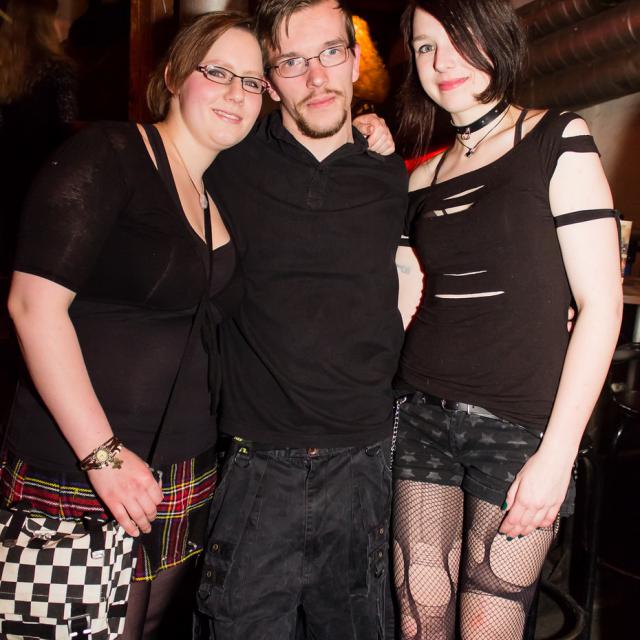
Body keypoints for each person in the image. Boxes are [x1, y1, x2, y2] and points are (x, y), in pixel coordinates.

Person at [0, 12, 266, 639]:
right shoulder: (109, 154)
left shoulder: (216, 190)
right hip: (86, 465)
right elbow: (32, 306)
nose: (236, 93)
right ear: (172, 75)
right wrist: (103, 454)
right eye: (218, 72)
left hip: (180, 470)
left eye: (253, 81)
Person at [391, 1, 623, 638]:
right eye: (425, 46)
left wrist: (558, 455)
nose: (442, 61)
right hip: (421, 415)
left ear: (495, 40)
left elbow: (601, 306)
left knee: (488, 627)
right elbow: (407, 295)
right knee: (419, 621)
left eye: (458, 39)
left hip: (520, 430)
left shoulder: (556, 138)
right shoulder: (421, 177)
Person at [196, 1, 408, 638]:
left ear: (355, 60)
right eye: (291, 62)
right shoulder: (227, 162)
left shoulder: (391, 173)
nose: (316, 78)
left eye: (330, 54)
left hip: (365, 464)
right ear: (268, 80)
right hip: (254, 464)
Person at [0, 0, 77, 274]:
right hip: (43, 170)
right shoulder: (58, 70)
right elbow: (67, 123)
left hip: (7, 169)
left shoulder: (6, 69)